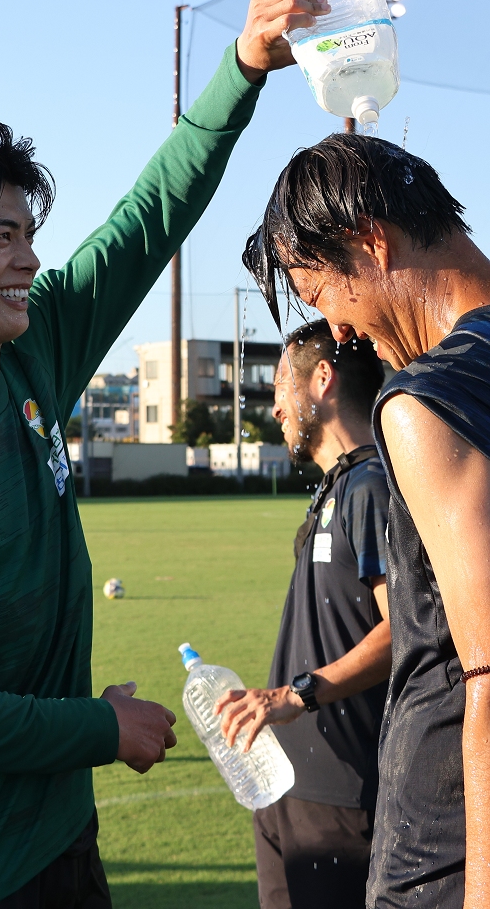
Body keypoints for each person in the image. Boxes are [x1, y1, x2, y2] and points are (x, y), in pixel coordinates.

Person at [0, 0, 332, 909]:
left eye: (30, 233)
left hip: (64, 837)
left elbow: (145, 220)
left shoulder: (35, 349)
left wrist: (242, 69)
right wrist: (97, 728)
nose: (29, 258)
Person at [242, 132, 490, 908]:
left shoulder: (426, 400)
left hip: (446, 848)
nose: (340, 331)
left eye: (320, 293)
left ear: (370, 242)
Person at [216, 318, 390, 909]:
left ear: (322, 379)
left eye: (279, 387)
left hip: (342, 797)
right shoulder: (337, 488)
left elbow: (406, 631)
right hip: (285, 783)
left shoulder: (371, 486)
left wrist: (296, 694)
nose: (274, 409)